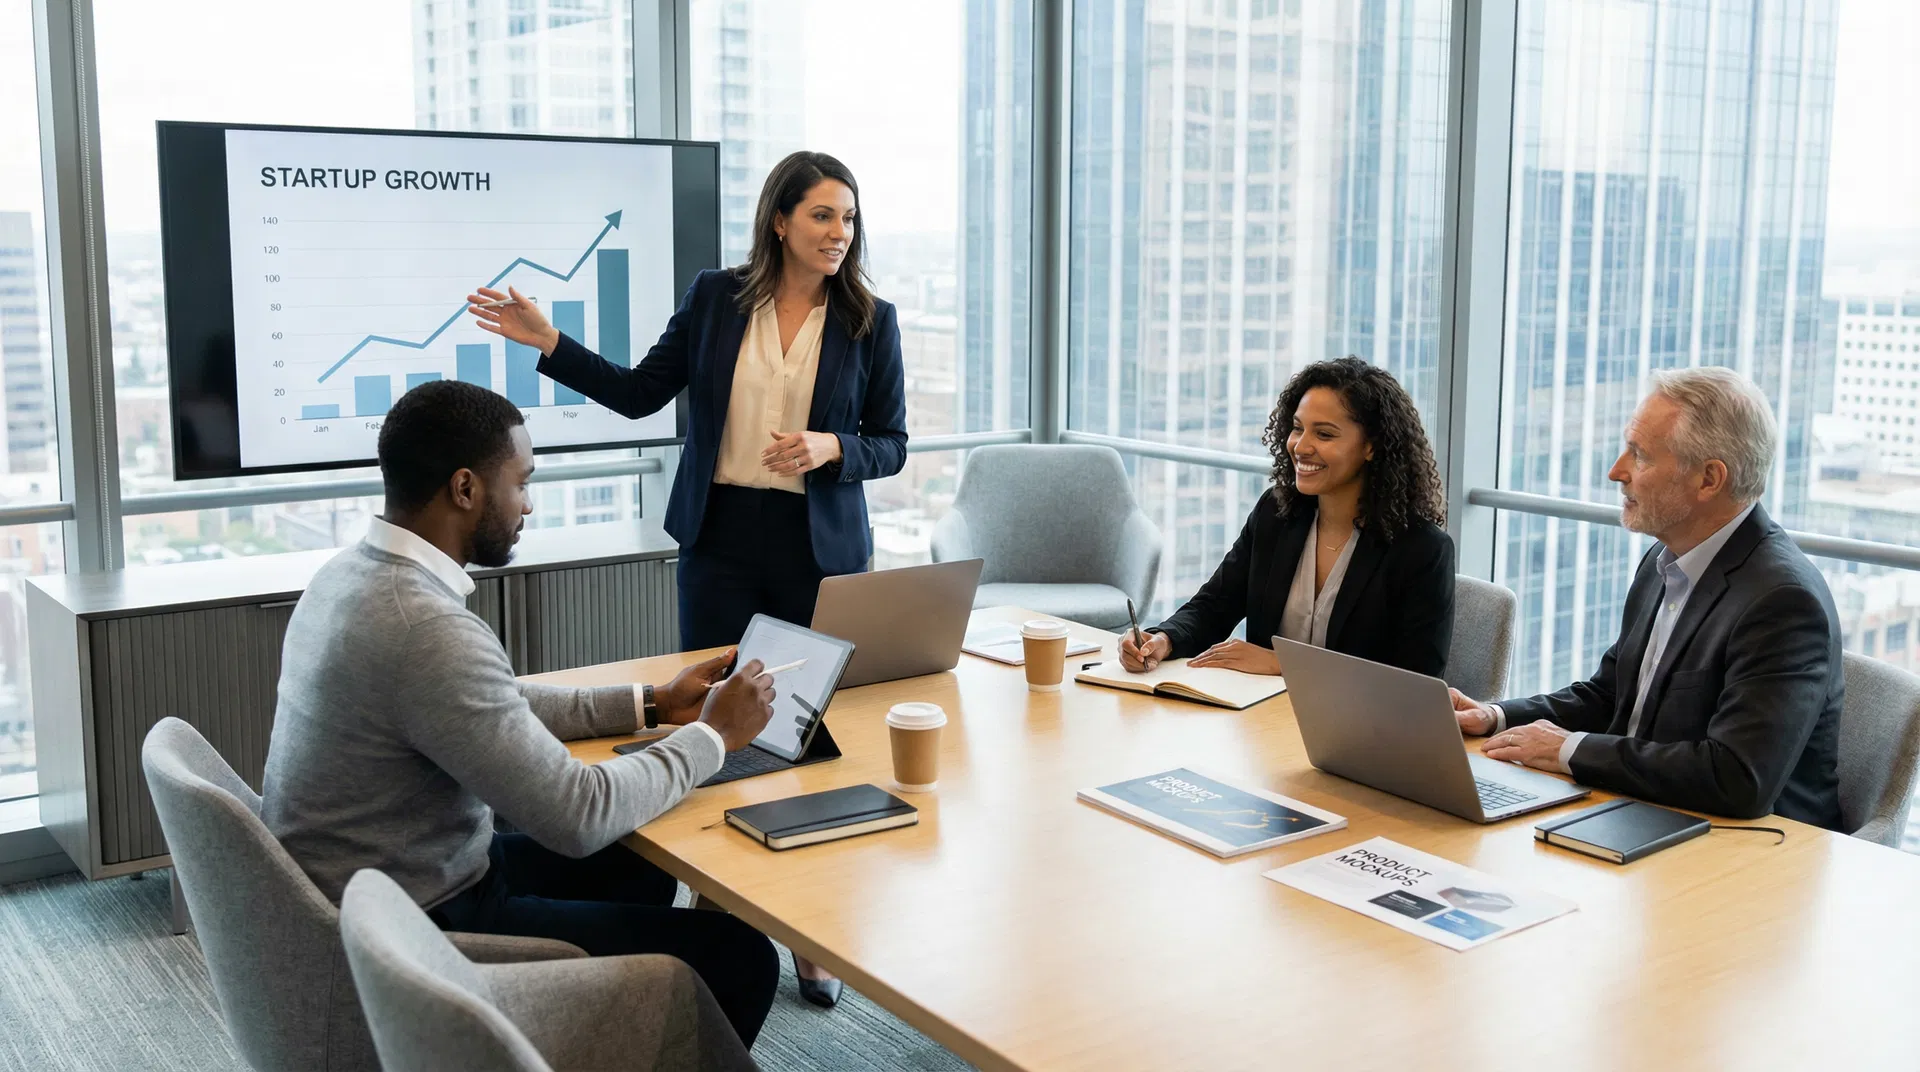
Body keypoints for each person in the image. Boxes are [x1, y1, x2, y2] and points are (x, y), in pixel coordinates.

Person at [467, 150, 906, 1005]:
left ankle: (808, 932)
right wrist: (551, 343)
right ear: (780, 220)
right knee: (718, 718)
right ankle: (721, 903)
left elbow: (891, 441)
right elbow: (639, 394)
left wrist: (833, 449)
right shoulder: (716, 297)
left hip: (819, 548)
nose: (838, 234)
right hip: (721, 540)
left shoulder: (869, 318)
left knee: (808, 738)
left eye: (848, 219)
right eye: (822, 216)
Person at [261, 380, 782, 1047]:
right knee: (739, 957)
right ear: (466, 489)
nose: (528, 504)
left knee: (645, 860)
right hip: (423, 920)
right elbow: (578, 813)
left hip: (391, 882)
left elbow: (487, 701)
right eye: (522, 482)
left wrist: (652, 703)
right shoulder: (422, 627)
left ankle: (610, 1037)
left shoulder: (352, 576)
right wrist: (715, 734)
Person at [1450, 367, 1844, 828]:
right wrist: (1496, 717)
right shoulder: (1666, 559)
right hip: (1639, 809)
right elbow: (1611, 694)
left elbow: (1738, 777)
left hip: (1750, 851)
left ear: (1709, 479)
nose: (1617, 471)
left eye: (1639, 456)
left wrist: (1568, 750)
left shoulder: (1783, 602)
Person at [1120, 356, 1455, 678]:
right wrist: (1162, 639)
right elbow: (1215, 605)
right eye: (1297, 428)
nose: (1300, 446)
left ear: (1371, 446)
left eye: (1324, 434)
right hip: (1260, 717)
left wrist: (1285, 665)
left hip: (1359, 732)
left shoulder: (1422, 550)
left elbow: (1414, 681)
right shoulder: (1276, 514)